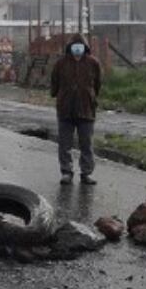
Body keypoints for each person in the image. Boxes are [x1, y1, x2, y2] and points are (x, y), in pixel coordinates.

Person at [50, 33, 102, 186]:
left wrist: (90, 96)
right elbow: (54, 82)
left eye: (80, 46)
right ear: (70, 48)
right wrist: (57, 94)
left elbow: (98, 83)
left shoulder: (93, 63)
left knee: (86, 144)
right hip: (65, 109)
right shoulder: (61, 63)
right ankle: (66, 172)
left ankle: (86, 173)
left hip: (86, 110)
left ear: (85, 47)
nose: (77, 49)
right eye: (74, 46)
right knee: (65, 143)